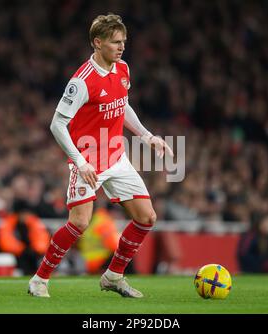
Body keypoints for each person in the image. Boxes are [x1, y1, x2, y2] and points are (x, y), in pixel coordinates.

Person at [28, 13, 173, 298]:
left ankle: (113, 276)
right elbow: (57, 124)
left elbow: (123, 105)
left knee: (146, 217)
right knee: (80, 222)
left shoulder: (123, 69)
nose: (121, 47)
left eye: (124, 42)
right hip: (89, 159)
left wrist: (146, 136)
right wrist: (80, 162)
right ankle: (39, 279)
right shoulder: (82, 81)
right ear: (97, 43)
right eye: (115, 42)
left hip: (116, 157)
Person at [0, 199, 50, 275]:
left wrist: (34, 250)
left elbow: (41, 240)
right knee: (24, 257)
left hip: (31, 254)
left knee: (35, 257)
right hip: (16, 254)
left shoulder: (31, 224)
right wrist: (23, 249)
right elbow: (6, 242)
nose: (26, 215)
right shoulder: (10, 224)